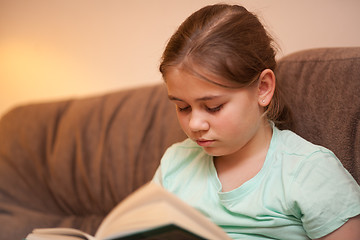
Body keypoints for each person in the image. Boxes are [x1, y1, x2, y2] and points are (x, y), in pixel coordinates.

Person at [152, 4, 360, 239]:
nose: (194, 124)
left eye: (213, 107)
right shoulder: (175, 165)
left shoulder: (308, 171)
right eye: (183, 107)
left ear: (263, 88)